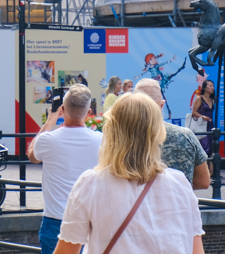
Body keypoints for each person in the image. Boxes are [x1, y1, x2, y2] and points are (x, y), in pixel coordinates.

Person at [52, 93, 205, 254]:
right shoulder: (179, 183)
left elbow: (66, 251)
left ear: (111, 131)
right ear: (157, 133)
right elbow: (196, 250)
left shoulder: (91, 185)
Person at [27, 84, 102, 254]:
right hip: (89, 222)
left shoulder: (47, 140)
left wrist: (50, 120)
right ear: (89, 112)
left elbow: (32, 156)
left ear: (62, 109)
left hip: (55, 221)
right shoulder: (100, 140)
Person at [134, 79, 210, 190]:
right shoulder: (185, 136)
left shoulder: (121, 135)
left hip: (136, 200)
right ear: (162, 104)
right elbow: (203, 182)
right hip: (178, 199)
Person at [191, 80, 216, 157]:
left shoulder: (213, 100)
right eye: (210, 86)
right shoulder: (199, 98)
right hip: (202, 125)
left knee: (211, 149)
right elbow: (194, 112)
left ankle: (210, 164)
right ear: (204, 88)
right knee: (204, 147)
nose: (212, 88)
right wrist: (203, 117)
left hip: (210, 125)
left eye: (213, 86)